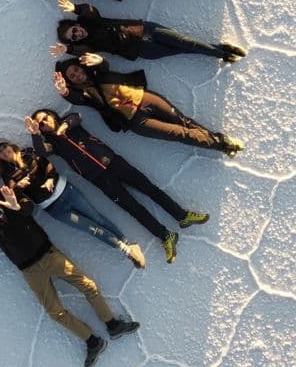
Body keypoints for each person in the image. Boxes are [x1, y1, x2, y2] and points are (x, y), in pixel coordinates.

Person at [0, 182, 139, 367]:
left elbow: (28, 208)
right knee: (55, 312)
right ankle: (93, 342)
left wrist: (16, 206)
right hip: (29, 270)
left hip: (49, 255)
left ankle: (112, 325)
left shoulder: (11, 196)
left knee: (87, 286)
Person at [29, 110, 209, 263]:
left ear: (52, 115)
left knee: (150, 189)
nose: (44, 123)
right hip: (98, 178)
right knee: (133, 208)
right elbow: (41, 151)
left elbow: (77, 116)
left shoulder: (70, 121)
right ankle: (165, 236)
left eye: (45, 118)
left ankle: (182, 216)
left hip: (113, 161)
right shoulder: (53, 145)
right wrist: (35, 134)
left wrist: (65, 126)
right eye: (40, 124)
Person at [0, 138, 145, 267]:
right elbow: (14, 193)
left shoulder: (28, 153)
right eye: (0, 152)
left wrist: (51, 178)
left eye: (5, 147)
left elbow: (47, 164)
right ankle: (125, 250)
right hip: (54, 208)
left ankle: (129, 244)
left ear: (10, 146)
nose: (4, 152)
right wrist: (18, 186)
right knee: (90, 227)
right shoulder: (7, 174)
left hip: (67, 191)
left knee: (97, 217)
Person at [54, 57, 243, 155]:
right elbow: (76, 99)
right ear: (71, 82)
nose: (77, 75)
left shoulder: (98, 72)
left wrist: (99, 60)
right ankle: (220, 144)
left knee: (185, 122)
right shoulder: (86, 94)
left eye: (76, 70)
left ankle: (220, 143)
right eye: (72, 76)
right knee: (179, 133)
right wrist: (65, 92)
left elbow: (103, 65)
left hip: (146, 99)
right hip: (137, 121)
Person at [51, 0, 246, 63]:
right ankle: (219, 49)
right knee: (182, 49)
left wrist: (75, 9)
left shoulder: (91, 21)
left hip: (144, 29)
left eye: (74, 30)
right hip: (142, 51)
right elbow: (83, 52)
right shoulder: (90, 45)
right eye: (73, 38)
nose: (77, 34)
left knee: (185, 42)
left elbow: (89, 10)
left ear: (76, 25)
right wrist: (67, 50)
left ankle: (222, 53)